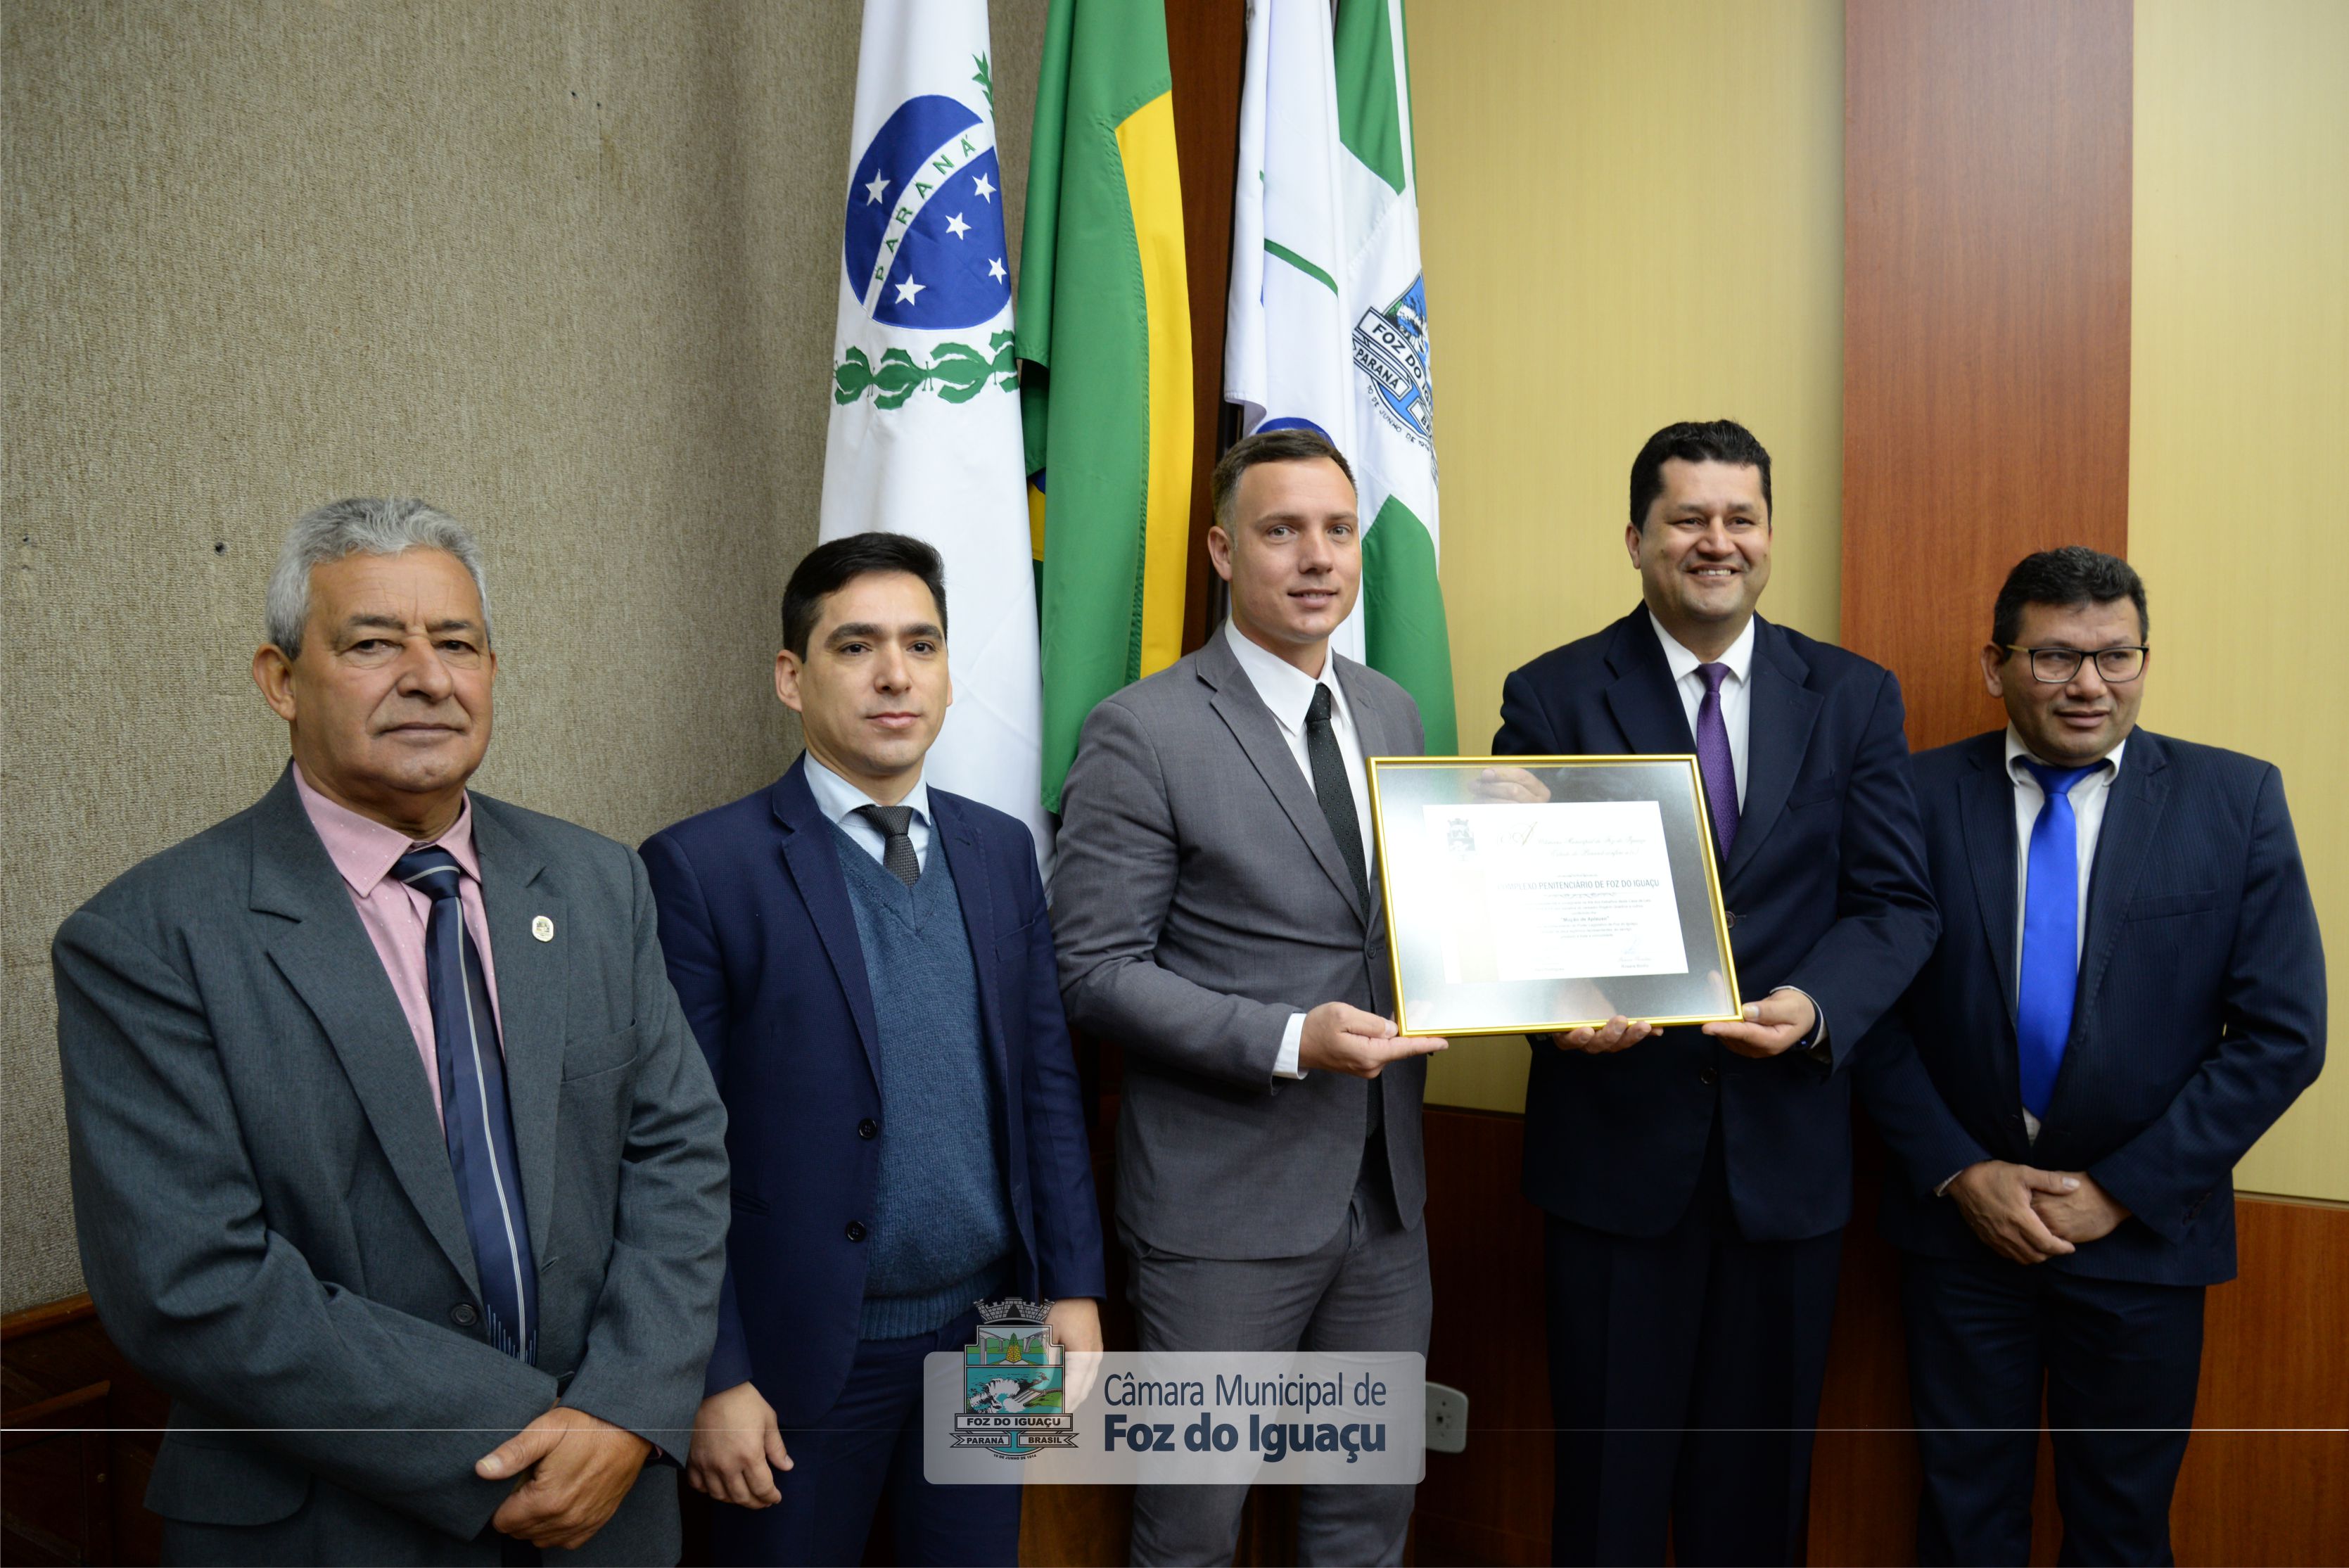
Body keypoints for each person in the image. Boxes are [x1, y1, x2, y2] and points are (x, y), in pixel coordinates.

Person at [52, 499, 730, 1565]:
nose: (428, 675)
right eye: (373, 643)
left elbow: (678, 1158)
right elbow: (188, 1281)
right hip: (325, 1523)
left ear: (492, 671)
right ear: (280, 680)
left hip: (606, 1508)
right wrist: (516, 1437)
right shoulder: (147, 938)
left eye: (456, 642)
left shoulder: (601, 886)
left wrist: (623, 1410)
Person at [1489, 419, 1940, 1565]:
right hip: (1615, 1155)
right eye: (1688, 518)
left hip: (1786, 1163)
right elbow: (1506, 901)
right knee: (1607, 1497)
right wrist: (1563, 1000)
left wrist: (1818, 1007)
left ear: (1771, 537)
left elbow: (1897, 904)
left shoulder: (1852, 696)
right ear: (1636, 537)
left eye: (1740, 518)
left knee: (1757, 1499)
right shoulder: (1550, 695)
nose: (1716, 541)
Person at [639, 532, 1105, 1567]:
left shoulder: (999, 848)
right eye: (856, 646)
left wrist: (1072, 1286)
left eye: (922, 645)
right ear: (791, 678)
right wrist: (714, 1375)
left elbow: (1044, 1086)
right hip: (800, 1358)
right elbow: (673, 1152)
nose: (896, 673)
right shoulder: (702, 869)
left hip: (999, 1334)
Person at [1856, 547, 2324, 1564]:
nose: (2089, 685)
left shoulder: (2233, 800)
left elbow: (2286, 1033)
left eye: (2117, 657)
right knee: (1962, 1514)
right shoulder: (1914, 796)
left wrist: (2120, 1188)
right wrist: (1959, 1170)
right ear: (1996, 663)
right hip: (1963, 1234)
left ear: (2144, 660)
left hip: (2145, 1239)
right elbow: (1872, 1008)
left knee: (2120, 1525)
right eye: (2058, 657)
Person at [1051, 427, 1445, 1567]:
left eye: (1335, 530)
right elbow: (1095, 970)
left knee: (1364, 1526)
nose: (1316, 557)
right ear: (1224, 551)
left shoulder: (1392, 713)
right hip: (1220, 1215)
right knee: (1190, 1533)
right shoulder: (1145, 730)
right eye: (1281, 531)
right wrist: (1288, 1039)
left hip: (1386, 1206)